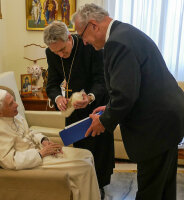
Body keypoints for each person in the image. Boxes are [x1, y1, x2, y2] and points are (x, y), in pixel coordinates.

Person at [72, 3, 184, 200]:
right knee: (164, 186)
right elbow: (135, 85)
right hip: (168, 120)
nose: (85, 43)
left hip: (155, 125)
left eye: (82, 36)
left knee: (150, 190)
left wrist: (104, 120)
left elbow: (125, 95)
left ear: (93, 26)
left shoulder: (117, 42)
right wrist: (108, 107)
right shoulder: (125, 32)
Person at [43, 21, 114, 199]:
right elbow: (51, 84)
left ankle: (100, 186)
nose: (61, 55)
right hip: (74, 108)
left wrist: (89, 97)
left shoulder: (89, 46)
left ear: (69, 38)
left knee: (100, 148)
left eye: (62, 50)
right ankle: (83, 182)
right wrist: (57, 97)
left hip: (96, 103)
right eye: (56, 52)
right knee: (81, 149)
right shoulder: (52, 53)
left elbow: (102, 80)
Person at [0, 89, 100, 200]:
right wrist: (40, 154)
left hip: (41, 149)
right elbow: (9, 161)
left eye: (14, 100)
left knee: (87, 154)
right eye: (11, 103)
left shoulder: (14, 114)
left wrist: (43, 140)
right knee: (83, 166)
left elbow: (29, 132)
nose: (17, 105)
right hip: (34, 161)